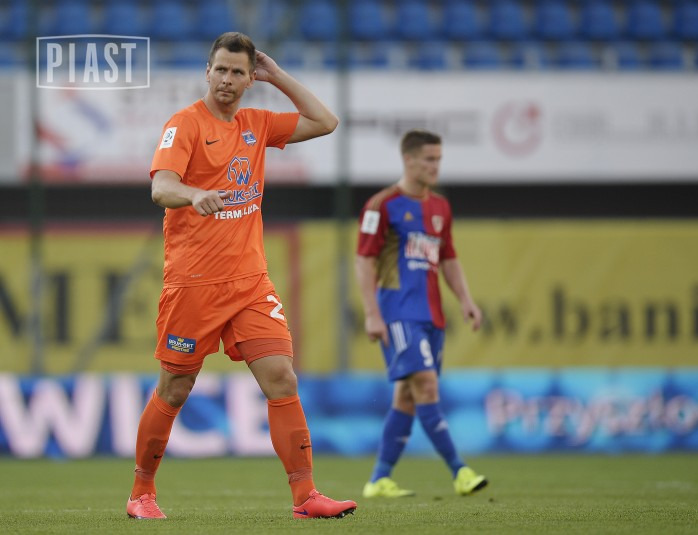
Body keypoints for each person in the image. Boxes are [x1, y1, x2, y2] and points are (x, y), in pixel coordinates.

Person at [126, 32, 356, 520]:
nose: (227, 79)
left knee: (282, 377)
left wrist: (278, 77)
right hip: (193, 284)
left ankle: (306, 496)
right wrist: (193, 194)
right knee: (175, 388)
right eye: (220, 70)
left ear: (251, 79)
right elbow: (161, 188)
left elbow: (326, 121)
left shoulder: (257, 124)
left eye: (238, 72)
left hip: (250, 283)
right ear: (207, 72)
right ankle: (141, 493)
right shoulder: (184, 124)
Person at [355, 130, 488, 498]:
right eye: (429, 159)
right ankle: (460, 471)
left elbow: (448, 258)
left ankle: (379, 479)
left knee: (407, 396)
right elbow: (364, 260)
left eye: (438, 159)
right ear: (408, 159)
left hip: (431, 316)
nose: (435, 166)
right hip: (397, 311)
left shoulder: (440, 207)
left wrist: (466, 300)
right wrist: (371, 313)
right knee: (426, 385)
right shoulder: (382, 205)